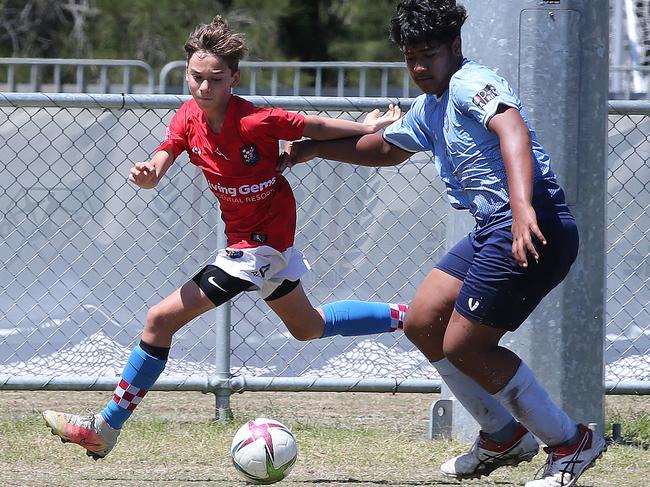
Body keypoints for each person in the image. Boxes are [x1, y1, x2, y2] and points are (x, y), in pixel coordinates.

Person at [42, 15, 407, 460]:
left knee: (159, 320)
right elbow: (164, 154)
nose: (204, 87)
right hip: (248, 243)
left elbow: (312, 125)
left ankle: (105, 427)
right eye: (197, 77)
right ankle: (410, 315)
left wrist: (366, 127)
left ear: (234, 78)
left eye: (216, 78)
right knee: (307, 327)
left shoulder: (255, 120)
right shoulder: (188, 116)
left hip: (261, 244)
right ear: (187, 74)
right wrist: (148, 175)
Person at [277, 1, 606, 486]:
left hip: (534, 225)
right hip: (493, 226)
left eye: (427, 54)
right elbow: (388, 148)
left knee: (465, 346)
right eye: (410, 57)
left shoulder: (472, 82)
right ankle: (501, 434)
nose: (417, 67)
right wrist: (312, 150)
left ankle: (569, 442)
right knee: (423, 319)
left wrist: (521, 209)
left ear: (455, 46)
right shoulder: (433, 105)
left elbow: (511, 129)